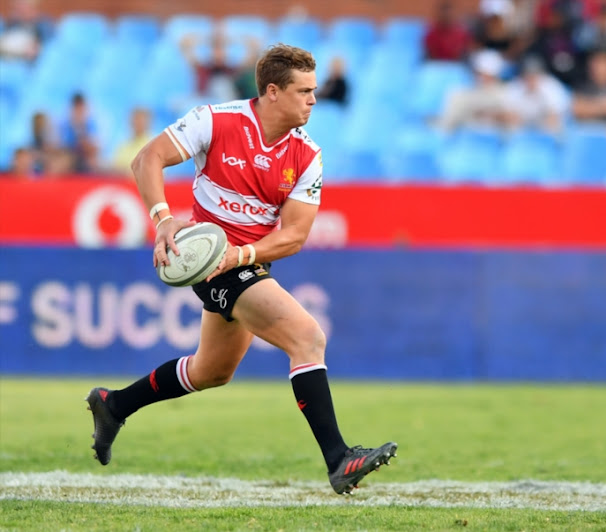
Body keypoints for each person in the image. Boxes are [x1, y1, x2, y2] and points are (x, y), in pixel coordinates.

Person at [85, 44, 397, 496]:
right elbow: (146, 159)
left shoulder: (307, 155)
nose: (313, 99)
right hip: (209, 260)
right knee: (307, 337)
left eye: (314, 91)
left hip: (244, 263)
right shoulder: (215, 119)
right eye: (304, 91)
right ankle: (338, 458)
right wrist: (163, 219)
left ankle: (115, 405)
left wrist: (244, 256)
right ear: (273, 92)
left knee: (212, 370)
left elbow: (294, 235)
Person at [437, 48, 507, 131]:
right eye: (478, 73)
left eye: (485, 74)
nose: (481, 77)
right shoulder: (461, 93)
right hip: (464, 132)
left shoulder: (504, 94)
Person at [502, 55, 570, 134]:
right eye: (527, 75)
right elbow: (508, 115)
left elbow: (555, 116)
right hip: (521, 129)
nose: (530, 79)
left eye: (534, 75)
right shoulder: (514, 87)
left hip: (546, 129)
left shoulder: (552, 86)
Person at [571, 49, 606, 127]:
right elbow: (578, 109)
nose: (599, 68)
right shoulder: (581, 88)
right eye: (595, 63)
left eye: (604, 63)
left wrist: (589, 107)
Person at [59, 92, 99, 173]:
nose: (78, 111)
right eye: (76, 108)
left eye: (80, 108)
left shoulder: (91, 124)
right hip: (70, 161)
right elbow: (62, 148)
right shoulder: (65, 125)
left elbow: (94, 148)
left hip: (87, 162)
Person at [110, 107, 153, 176]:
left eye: (141, 120)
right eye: (135, 119)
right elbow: (114, 168)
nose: (137, 123)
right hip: (123, 185)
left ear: (148, 123)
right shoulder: (123, 145)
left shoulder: (154, 145)